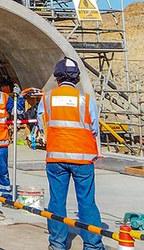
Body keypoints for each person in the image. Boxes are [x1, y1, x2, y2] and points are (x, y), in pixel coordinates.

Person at [37, 57, 104, 250]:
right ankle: (92, 245)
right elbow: (94, 128)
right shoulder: (86, 100)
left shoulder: (47, 98)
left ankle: (57, 244)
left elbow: (42, 126)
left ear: (57, 77)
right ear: (76, 79)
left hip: (56, 158)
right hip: (82, 158)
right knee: (87, 203)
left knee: (57, 202)